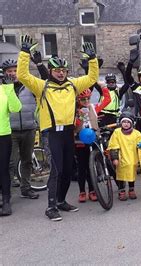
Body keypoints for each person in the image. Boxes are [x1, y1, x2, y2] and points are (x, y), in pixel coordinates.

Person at [17, 35, 99, 221]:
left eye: (63, 70)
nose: (61, 73)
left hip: (68, 132)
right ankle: (51, 206)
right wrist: (24, 53)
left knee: (68, 170)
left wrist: (92, 59)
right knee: (56, 169)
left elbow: (92, 77)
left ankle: (61, 201)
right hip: (50, 133)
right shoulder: (42, 86)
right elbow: (22, 75)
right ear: (51, 71)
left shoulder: (73, 85)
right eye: (57, 70)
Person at [3, 59, 39, 199]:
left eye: (15, 71)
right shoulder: (3, 88)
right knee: (9, 162)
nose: (13, 74)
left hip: (29, 127)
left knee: (27, 160)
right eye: (9, 71)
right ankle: (7, 192)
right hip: (9, 130)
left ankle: (26, 187)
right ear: (5, 73)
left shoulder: (29, 85)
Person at [74, 83, 111, 202]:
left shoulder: (94, 108)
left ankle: (92, 190)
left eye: (87, 99)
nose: (85, 101)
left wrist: (103, 86)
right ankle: (81, 191)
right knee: (82, 167)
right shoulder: (74, 111)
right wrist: (79, 117)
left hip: (93, 139)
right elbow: (73, 126)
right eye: (83, 99)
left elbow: (107, 100)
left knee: (92, 166)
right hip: (80, 141)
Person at [108, 112, 141, 201]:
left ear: (132, 123)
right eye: (124, 122)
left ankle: (131, 189)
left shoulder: (136, 133)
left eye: (128, 122)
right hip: (121, 158)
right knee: (121, 175)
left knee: (131, 175)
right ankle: (121, 191)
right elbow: (113, 146)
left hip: (132, 158)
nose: (126, 124)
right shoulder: (117, 132)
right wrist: (115, 158)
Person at [0, 77, 22, 216]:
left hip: (3, 135)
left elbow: (16, 108)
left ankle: (6, 201)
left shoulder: (5, 90)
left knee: (3, 169)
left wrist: (9, 88)